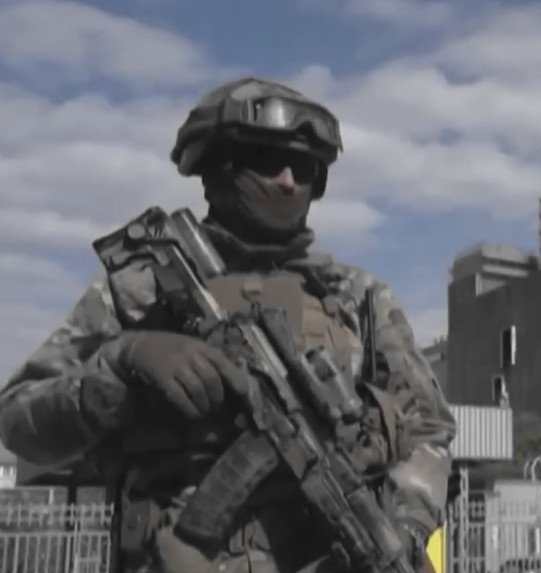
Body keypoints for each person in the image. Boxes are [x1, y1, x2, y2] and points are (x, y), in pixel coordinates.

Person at [0, 77, 456, 573]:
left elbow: (428, 429)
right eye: (267, 160)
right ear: (217, 165)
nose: (288, 181)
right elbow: (18, 422)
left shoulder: (358, 298)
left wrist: (404, 528)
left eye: (304, 168)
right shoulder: (141, 291)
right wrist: (121, 365)